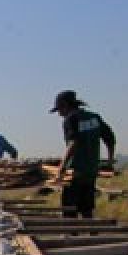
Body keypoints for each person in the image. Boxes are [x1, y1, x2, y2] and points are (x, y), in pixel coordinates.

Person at [50, 90, 116, 219]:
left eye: (59, 109)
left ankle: (71, 237)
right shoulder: (94, 117)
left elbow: (73, 144)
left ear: (65, 105)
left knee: (69, 209)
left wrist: (61, 169)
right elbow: (110, 139)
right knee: (87, 209)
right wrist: (110, 161)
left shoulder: (71, 119)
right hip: (90, 171)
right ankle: (92, 234)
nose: (59, 114)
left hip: (74, 172)